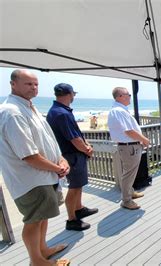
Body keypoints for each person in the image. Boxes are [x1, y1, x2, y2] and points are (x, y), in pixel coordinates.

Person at [0, 69, 70, 265]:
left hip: (45, 176)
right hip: (31, 180)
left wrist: (61, 159)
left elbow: (47, 141)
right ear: (13, 84)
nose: (34, 87)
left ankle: (43, 250)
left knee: (43, 216)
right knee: (33, 220)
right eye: (28, 84)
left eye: (36, 84)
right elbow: (28, 155)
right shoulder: (12, 112)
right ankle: (37, 260)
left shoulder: (30, 107)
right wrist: (57, 168)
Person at [46, 83, 98, 231]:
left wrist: (86, 145)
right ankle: (72, 219)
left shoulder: (58, 111)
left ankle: (79, 208)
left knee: (78, 184)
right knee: (74, 187)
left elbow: (76, 134)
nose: (74, 96)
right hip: (71, 156)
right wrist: (87, 150)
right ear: (69, 94)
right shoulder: (62, 113)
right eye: (73, 94)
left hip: (72, 154)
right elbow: (74, 139)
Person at [107, 87, 150, 210]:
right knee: (128, 174)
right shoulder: (118, 111)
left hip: (130, 147)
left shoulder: (119, 110)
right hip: (129, 147)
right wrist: (144, 139)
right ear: (120, 96)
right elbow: (129, 131)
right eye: (128, 94)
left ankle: (130, 192)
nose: (130, 96)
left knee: (130, 172)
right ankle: (126, 200)